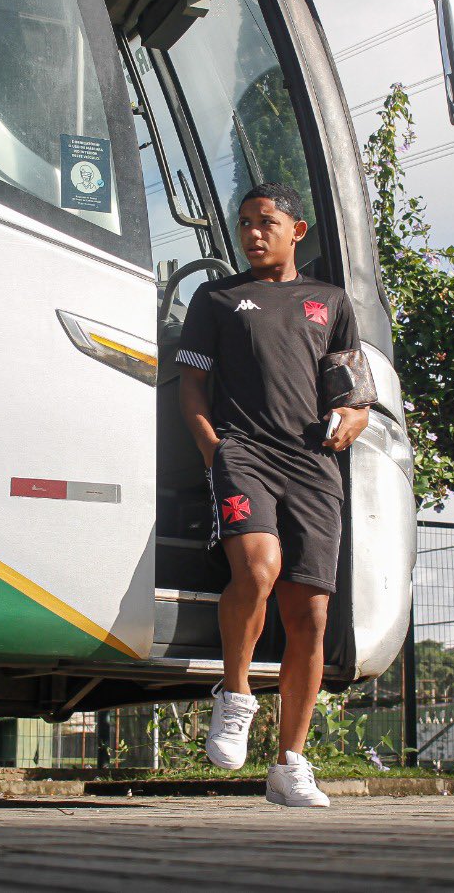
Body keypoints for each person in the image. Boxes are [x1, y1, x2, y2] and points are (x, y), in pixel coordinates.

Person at [175, 182, 371, 808]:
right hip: (244, 455)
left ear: (297, 231)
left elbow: (354, 395)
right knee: (258, 569)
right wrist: (216, 451)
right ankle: (235, 695)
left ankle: (290, 764)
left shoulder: (330, 302)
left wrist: (353, 418)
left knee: (309, 613)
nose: (252, 233)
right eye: (244, 223)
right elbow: (191, 389)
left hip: (314, 466)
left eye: (265, 222)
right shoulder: (216, 298)